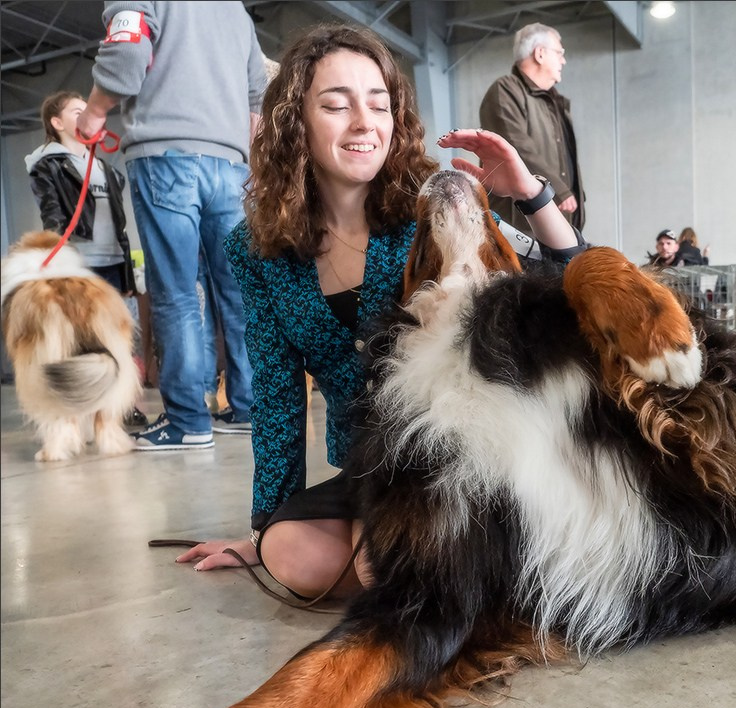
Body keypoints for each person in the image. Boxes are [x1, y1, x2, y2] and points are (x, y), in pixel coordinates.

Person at [174, 24, 585, 601]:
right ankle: (445, 572)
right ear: (295, 122)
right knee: (288, 554)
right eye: (336, 105)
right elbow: (275, 394)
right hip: (368, 461)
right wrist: (258, 532)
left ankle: (462, 566)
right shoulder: (254, 245)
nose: (365, 123)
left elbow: (566, 278)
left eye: (379, 104)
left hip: (455, 449)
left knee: (378, 568)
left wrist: (532, 192)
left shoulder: (431, 199)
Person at [75, 1, 267, 449]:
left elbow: (126, 55)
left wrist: (95, 112)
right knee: (239, 295)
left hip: (166, 159)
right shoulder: (234, 10)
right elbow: (255, 93)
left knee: (178, 296)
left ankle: (187, 423)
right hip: (230, 167)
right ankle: (246, 407)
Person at [25, 89, 147, 427]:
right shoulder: (48, 163)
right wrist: (55, 259)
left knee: (121, 339)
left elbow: (119, 223)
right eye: (77, 111)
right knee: (79, 339)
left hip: (112, 263)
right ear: (56, 121)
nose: (86, 114)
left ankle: (122, 407)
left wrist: (126, 271)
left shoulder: (104, 166)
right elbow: (52, 213)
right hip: (79, 265)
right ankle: (74, 412)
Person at [478, 22, 585, 233]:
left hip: (559, 220)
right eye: (559, 52)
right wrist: (558, 190)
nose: (563, 60)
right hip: (520, 227)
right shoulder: (505, 90)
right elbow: (515, 145)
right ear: (540, 54)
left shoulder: (555, 103)